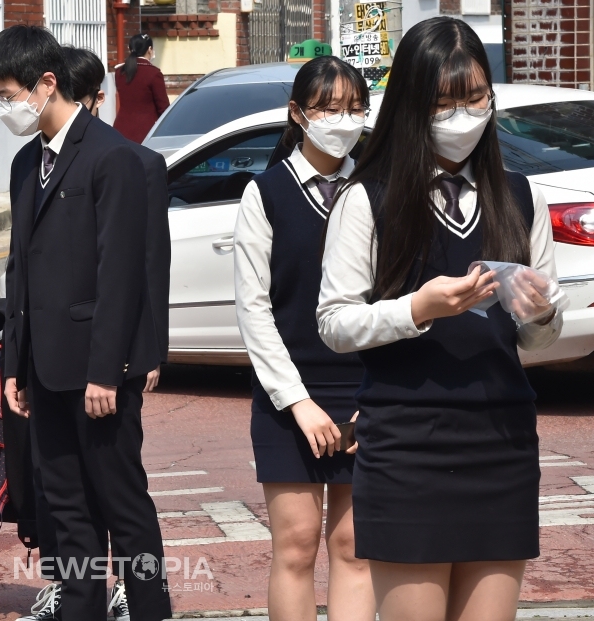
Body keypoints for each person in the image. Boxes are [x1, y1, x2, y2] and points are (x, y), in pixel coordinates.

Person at [317, 17, 563, 620]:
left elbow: (539, 337)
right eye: (444, 103)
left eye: (475, 98)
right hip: (407, 443)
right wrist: (415, 310)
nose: (462, 117)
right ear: (410, 105)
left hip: (501, 441)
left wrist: (541, 314)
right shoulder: (367, 198)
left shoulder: (521, 195)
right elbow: (335, 322)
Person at [0, 25, 172, 621]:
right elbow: (20, 268)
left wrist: (109, 370)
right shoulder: (24, 163)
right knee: (65, 506)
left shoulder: (112, 158)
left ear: (46, 83)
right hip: (43, 367)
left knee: (122, 504)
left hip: (96, 370)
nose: (4, 108)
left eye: (8, 94)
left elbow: (120, 274)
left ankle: (149, 610)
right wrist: (15, 362)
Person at [233, 56, 375, 621]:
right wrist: (299, 403)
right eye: (328, 109)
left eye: (354, 109)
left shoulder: (375, 189)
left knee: (354, 548)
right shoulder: (264, 194)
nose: (343, 121)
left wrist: (380, 395)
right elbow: (255, 311)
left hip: (365, 393)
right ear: (298, 113)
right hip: (287, 397)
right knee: (295, 546)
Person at [113, 33, 169, 144]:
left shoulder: (120, 72)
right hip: (145, 132)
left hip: (120, 130)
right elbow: (163, 108)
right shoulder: (153, 73)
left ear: (129, 49)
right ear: (149, 49)